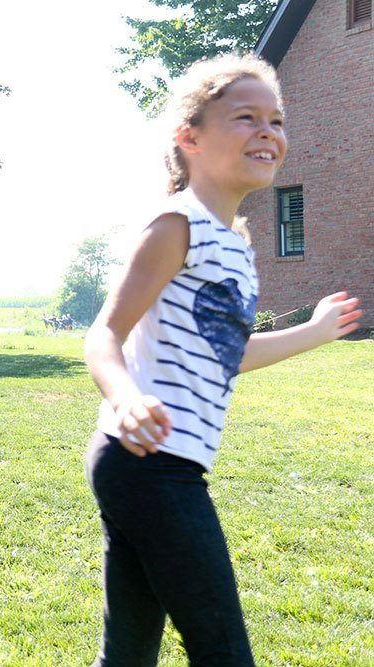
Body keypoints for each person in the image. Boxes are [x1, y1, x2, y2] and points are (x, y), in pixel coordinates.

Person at [83, 54, 362, 666]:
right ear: (190, 138)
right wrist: (127, 399)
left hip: (152, 465)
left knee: (128, 657)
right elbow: (104, 334)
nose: (268, 131)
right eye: (246, 117)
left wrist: (315, 332)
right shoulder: (175, 224)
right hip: (150, 463)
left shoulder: (234, 244)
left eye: (276, 120)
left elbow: (226, 357)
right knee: (224, 654)